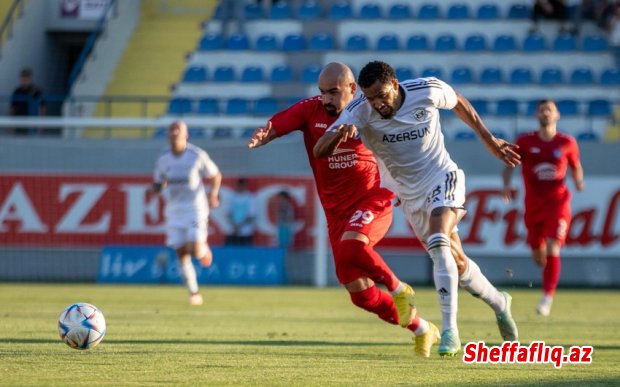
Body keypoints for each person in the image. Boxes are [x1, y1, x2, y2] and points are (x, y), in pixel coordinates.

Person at [316, 61, 520, 357]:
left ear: (395, 85)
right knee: (457, 263)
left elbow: (459, 102)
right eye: (371, 98)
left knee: (439, 243)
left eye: (382, 96)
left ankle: (450, 331)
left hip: (443, 177)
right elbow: (320, 150)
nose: (377, 104)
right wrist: (338, 133)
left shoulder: (426, 90)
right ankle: (500, 302)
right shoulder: (359, 111)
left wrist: (489, 141)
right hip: (410, 196)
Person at [248, 62, 440, 358]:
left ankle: (399, 289)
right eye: (322, 92)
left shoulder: (373, 110)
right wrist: (266, 134)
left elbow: (405, 145)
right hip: (336, 213)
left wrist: (404, 183)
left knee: (352, 247)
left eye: (333, 92)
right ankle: (422, 328)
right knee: (360, 294)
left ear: (352, 89)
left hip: (372, 198)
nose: (326, 99)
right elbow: (282, 122)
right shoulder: (311, 110)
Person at [502, 99, 584, 316]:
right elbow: (509, 165)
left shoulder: (567, 142)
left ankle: (547, 298)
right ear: (536, 115)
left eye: (549, 109)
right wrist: (507, 184)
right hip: (533, 205)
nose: (546, 113)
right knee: (539, 256)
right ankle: (546, 276)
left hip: (558, 204)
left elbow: (576, 166)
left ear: (557, 114)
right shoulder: (525, 142)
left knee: (552, 246)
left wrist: (578, 181)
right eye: (541, 109)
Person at [149, 120, 222, 306]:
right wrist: (155, 188)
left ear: (185, 135)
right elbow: (159, 181)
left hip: (195, 209)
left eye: (178, 130)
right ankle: (194, 293)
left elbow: (215, 175)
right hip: (174, 211)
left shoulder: (196, 155)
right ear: (167, 135)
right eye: (171, 130)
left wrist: (213, 195)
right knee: (181, 253)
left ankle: (204, 251)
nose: (174, 133)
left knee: (195, 249)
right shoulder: (163, 158)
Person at [10, 67, 46, 135]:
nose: (24, 79)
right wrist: (11, 125)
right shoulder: (17, 91)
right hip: (19, 122)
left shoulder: (37, 91)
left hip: (32, 122)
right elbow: (12, 108)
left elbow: (43, 108)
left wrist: (42, 124)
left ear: (30, 78)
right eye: (23, 77)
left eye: (26, 77)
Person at [225, 178, 257, 246]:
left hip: (246, 232)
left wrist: (240, 226)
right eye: (239, 185)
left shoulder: (250, 198)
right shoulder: (232, 197)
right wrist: (234, 225)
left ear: (245, 186)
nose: (240, 187)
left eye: (242, 185)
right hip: (232, 231)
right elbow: (228, 213)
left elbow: (251, 215)